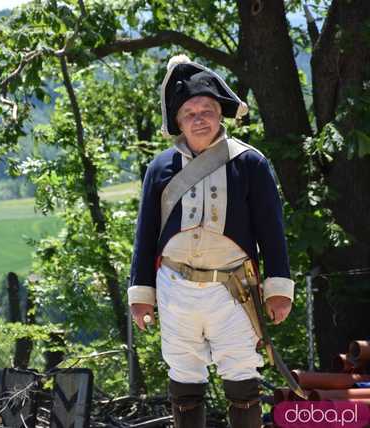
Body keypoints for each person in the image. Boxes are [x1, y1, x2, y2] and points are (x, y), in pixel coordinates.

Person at [128, 54, 294, 428]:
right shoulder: (160, 168)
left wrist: (278, 288)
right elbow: (145, 234)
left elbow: (271, 230)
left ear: (221, 114)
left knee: (241, 373)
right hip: (175, 286)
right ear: (178, 122)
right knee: (184, 374)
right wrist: (141, 296)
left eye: (207, 109)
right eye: (190, 112)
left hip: (233, 288)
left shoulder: (250, 163)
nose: (199, 118)